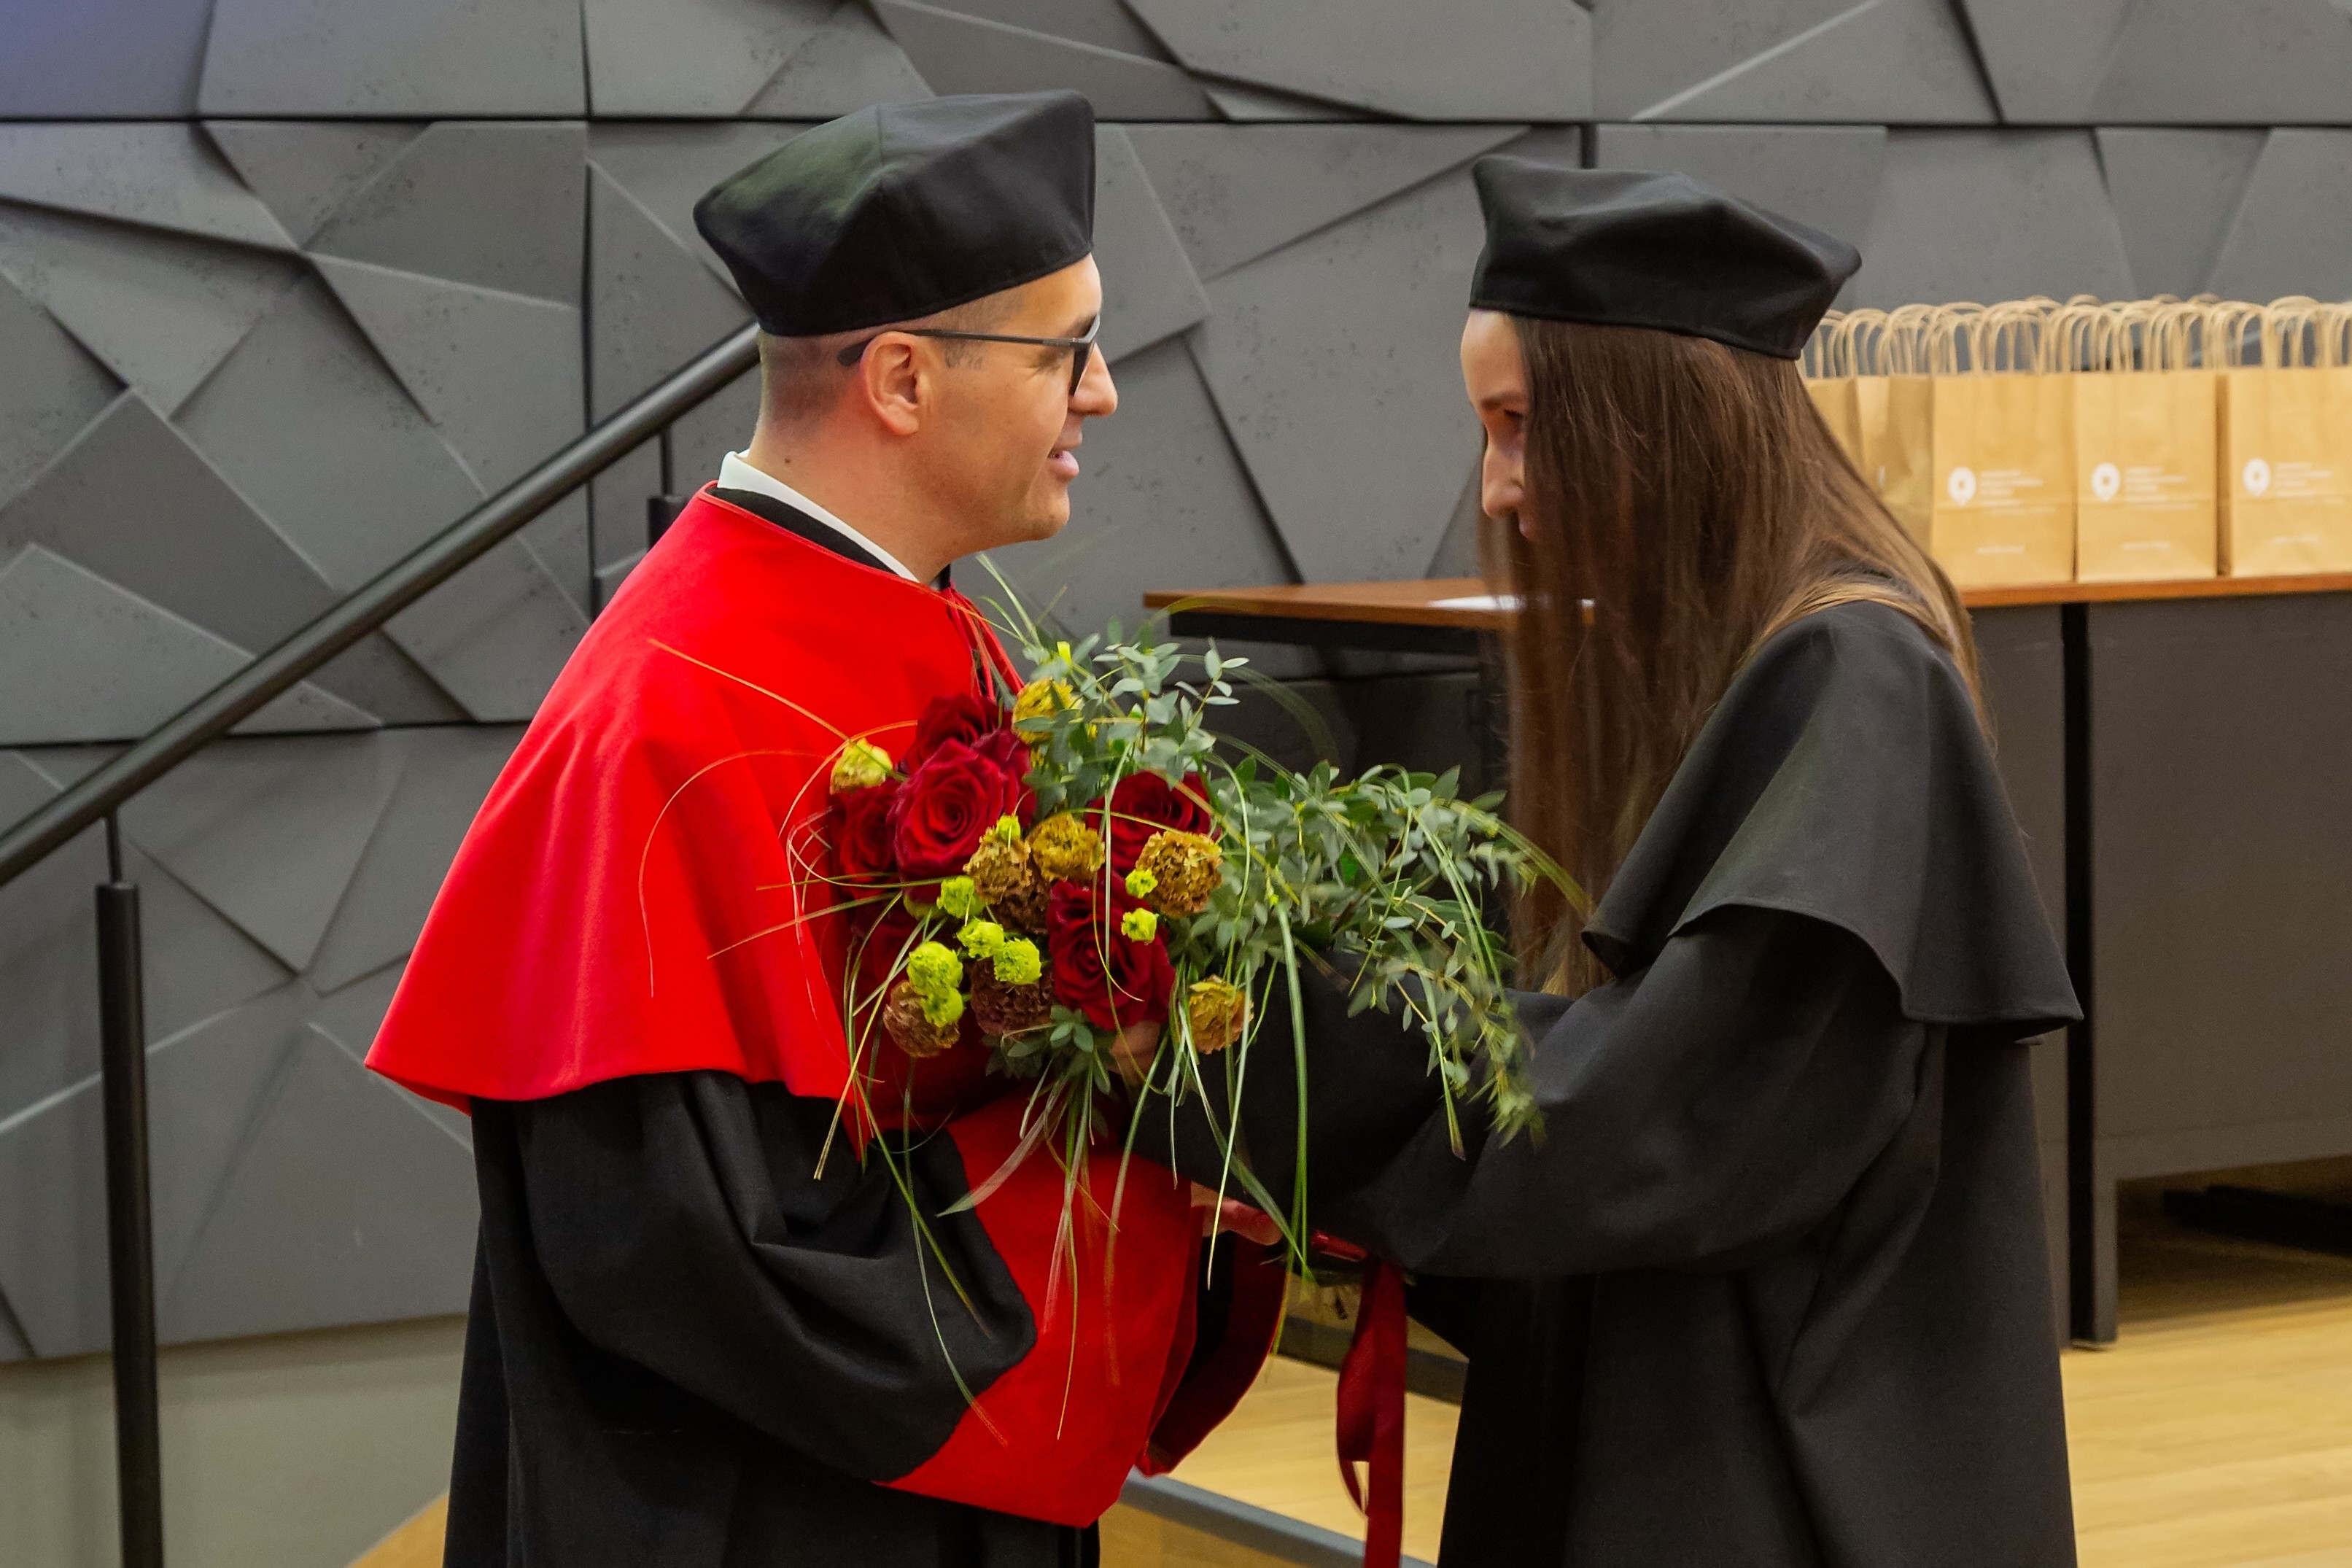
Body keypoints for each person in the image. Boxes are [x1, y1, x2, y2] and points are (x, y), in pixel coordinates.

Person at [366, 91, 1285, 1568]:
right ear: (904, 379)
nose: (1103, 393)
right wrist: (1116, 1198)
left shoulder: (933, 631)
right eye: (1067, 350)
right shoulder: (668, 717)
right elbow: (675, 1242)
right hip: (770, 1510)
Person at [1145, 161, 2082, 1566]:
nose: (1498, 487)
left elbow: (1654, 1126)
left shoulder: (1855, 675)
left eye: (1519, 425)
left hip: (1774, 1473)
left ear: (1651, 414)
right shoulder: (1744, 660)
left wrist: (1257, 1043)